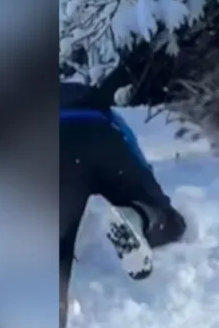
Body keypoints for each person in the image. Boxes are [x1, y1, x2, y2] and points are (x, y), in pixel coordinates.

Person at [59, 81, 187, 327]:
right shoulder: (100, 107)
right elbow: (135, 153)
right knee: (168, 218)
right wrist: (147, 193)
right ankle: (139, 217)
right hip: (105, 137)